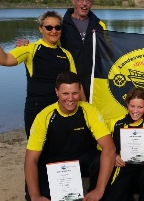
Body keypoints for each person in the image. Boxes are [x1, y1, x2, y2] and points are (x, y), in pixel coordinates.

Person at [0, 10, 80, 138]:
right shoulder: (30, 49)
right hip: (37, 111)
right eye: (49, 27)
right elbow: (3, 60)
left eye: (57, 27)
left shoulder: (66, 54)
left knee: (63, 153)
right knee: (38, 153)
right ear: (40, 29)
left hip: (62, 110)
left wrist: (84, 110)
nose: (53, 31)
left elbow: (76, 86)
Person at [24, 71, 115, 201]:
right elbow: (30, 159)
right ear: (57, 92)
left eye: (75, 93)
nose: (70, 98)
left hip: (82, 159)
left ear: (80, 90)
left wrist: (99, 189)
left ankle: (94, 193)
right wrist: (35, 196)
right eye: (65, 93)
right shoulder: (44, 116)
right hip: (53, 162)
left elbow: (109, 147)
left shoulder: (89, 111)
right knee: (34, 192)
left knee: (104, 161)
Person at [16, 0, 107, 101]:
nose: (84, 4)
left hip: (95, 84)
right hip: (68, 86)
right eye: (80, 0)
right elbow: (50, 44)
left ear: (91, 3)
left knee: (91, 116)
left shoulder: (100, 25)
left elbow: (108, 53)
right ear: (72, 0)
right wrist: (29, 46)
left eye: (88, 1)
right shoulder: (61, 25)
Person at [104, 88, 144, 201]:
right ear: (127, 104)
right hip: (122, 167)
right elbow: (102, 146)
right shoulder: (115, 123)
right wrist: (114, 156)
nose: (135, 110)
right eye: (132, 106)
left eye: (140, 107)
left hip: (143, 168)